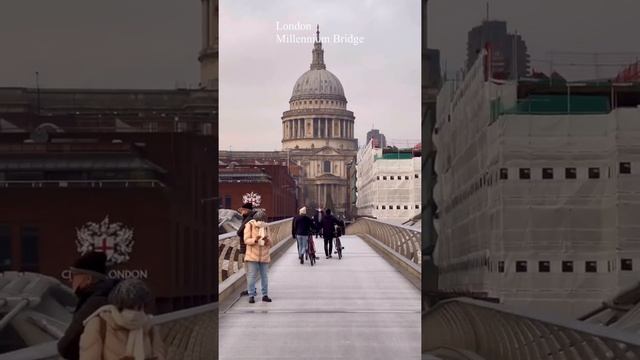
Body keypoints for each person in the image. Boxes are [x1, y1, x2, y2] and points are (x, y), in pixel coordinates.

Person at [79, 279, 165, 360]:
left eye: (140, 307)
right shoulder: (99, 324)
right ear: (120, 304)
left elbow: (159, 355)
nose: (135, 312)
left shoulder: (148, 327)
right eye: (130, 306)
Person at [58, 252, 119, 360]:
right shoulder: (113, 296)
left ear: (88, 279)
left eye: (74, 275)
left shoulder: (95, 302)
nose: (70, 280)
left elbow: (66, 344)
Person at [243, 209, 272, 303]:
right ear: (256, 220)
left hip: (264, 255)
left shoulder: (266, 227)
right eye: (261, 220)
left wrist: (267, 240)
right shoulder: (250, 225)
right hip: (252, 256)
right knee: (252, 276)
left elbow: (271, 242)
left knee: (265, 276)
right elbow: (246, 240)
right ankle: (251, 295)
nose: (262, 222)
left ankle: (265, 295)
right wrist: (255, 239)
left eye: (264, 221)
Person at [237, 202, 256, 296]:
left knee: (248, 270)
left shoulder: (249, 219)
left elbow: (239, 232)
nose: (241, 211)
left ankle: (251, 290)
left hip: (246, 247)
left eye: (243, 210)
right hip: (249, 246)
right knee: (249, 270)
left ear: (247, 210)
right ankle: (251, 288)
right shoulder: (250, 218)